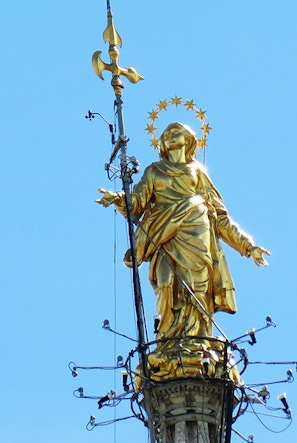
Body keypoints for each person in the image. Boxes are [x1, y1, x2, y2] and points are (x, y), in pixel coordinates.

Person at [97, 122, 269, 378]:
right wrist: (119, 199)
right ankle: (168, 338)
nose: (171, 135)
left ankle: (198, 339)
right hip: (164, 236)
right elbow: (137, 205)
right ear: (162, 143)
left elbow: (221, 218)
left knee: (198, 291)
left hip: (198, 239)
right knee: (166, 284)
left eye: (178, 132)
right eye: (167, 133)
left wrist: (248, 245)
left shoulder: (198, 172)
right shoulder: (154, 171)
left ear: (189, 140)